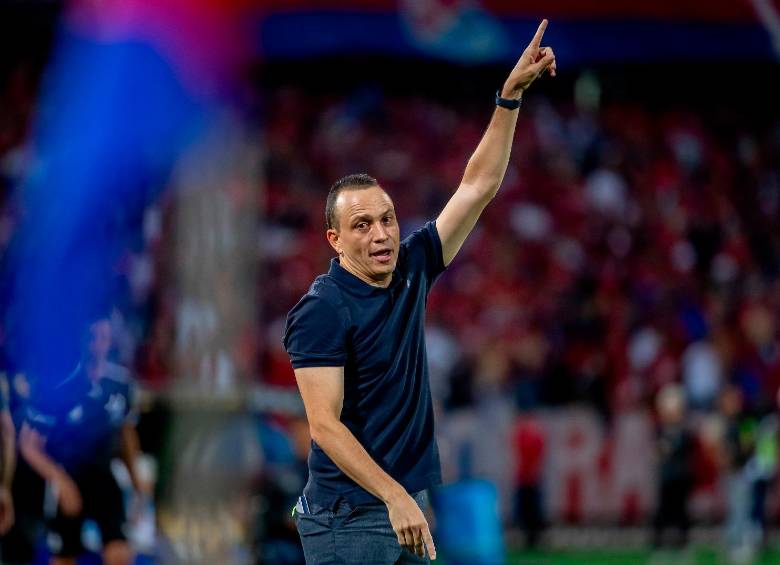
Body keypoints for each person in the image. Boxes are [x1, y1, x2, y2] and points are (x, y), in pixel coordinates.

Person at [283, 19, 556, 564]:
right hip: (350, 515)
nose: (382, 233)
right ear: (334, 240)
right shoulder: (321, 309)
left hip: (402, 501)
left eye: (386, 218)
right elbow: (323, 424)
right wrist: (393, 496)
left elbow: (477, 186)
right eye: (362, 225)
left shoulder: (411, 267)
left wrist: (507, 99)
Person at [19, 315, 147, 565]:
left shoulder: (120, 384)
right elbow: (29, 446)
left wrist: (138, 484)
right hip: (68, 479)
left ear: (110, 340)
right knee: (64, 557)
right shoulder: (57, 387)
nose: (97, 345)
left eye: (103, 338)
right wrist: (61, 481)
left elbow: (127, 436)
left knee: (120, 555)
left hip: (105, 479)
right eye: (92, 338)